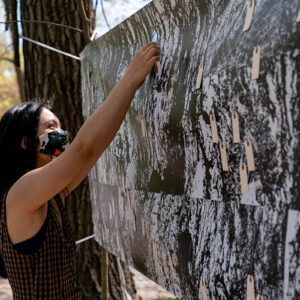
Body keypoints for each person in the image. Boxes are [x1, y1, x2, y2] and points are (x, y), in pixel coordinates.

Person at [0, 42, 160, 299]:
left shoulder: (51, 194)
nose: (61, 134)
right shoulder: (22, 193)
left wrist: (132, 89)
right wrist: (130, 78)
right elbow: (84, 148)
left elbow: (94, 148)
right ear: (25, 142)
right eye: (51, 127)